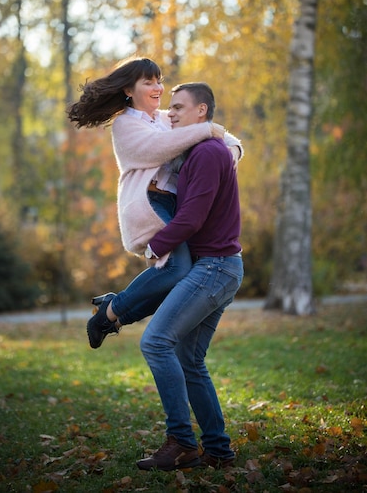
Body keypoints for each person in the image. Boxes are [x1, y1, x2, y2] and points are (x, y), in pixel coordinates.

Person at [67, 57, 243, 348]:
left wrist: (231, 152)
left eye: (159, 80)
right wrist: (208, 130)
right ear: (128, 90)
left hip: (171, 204)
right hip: (149, 202)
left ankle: (115, 316)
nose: (158, 87)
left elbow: (227, 139)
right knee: (176, 270)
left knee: (177, 279)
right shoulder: (125, 125)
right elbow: (159, 148)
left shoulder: (164, 118)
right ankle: (108, 313)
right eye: (148, 82)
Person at [135, 82, 243, 472]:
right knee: (187, 358)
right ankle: (217, 449)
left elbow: (191, 218)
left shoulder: (207, 153)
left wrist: (154, 245)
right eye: (171, 108)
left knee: (157, 342)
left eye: (179, 107)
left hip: (215, 267)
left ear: (202, 112)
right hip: (217, 266)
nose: (172, 114)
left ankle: (181, 441)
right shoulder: (200, 151)